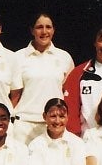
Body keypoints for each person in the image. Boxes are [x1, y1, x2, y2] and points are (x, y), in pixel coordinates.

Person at [12, 13, 74, 144]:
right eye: (39, 27)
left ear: (53, 30)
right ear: (32, 30)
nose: (44, 31)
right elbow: (14, 95)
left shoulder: (64, 57)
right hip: (24, 124)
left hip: (55, 123)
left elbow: (68, 93)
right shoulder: (18, 57)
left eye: (48, 27)